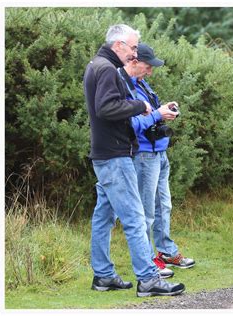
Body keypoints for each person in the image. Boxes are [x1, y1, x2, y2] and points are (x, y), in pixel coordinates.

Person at [83, 24, 184, 297]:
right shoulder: (106, 68)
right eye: (133, 47)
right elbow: (106, 108)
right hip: (114, 156)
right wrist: (140, 106)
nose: (135, 52)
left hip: (105, 154)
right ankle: (148, 279)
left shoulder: (98, 64)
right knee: (136, 218)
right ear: (118, 45)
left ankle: (103, 275)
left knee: (104, 216)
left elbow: (105, 107)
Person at [118, 43, 195, 275]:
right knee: (146, 210)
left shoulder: (141, 83)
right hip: (143, 154)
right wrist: (156, 114)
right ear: (133, 61)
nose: (150, 71)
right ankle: (149, 259)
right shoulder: (123, 87)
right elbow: (130, 124)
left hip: (159, 152)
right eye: (147, 66)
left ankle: (166, 251)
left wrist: (163, 111)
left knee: (164, 206)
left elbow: (149, 114)